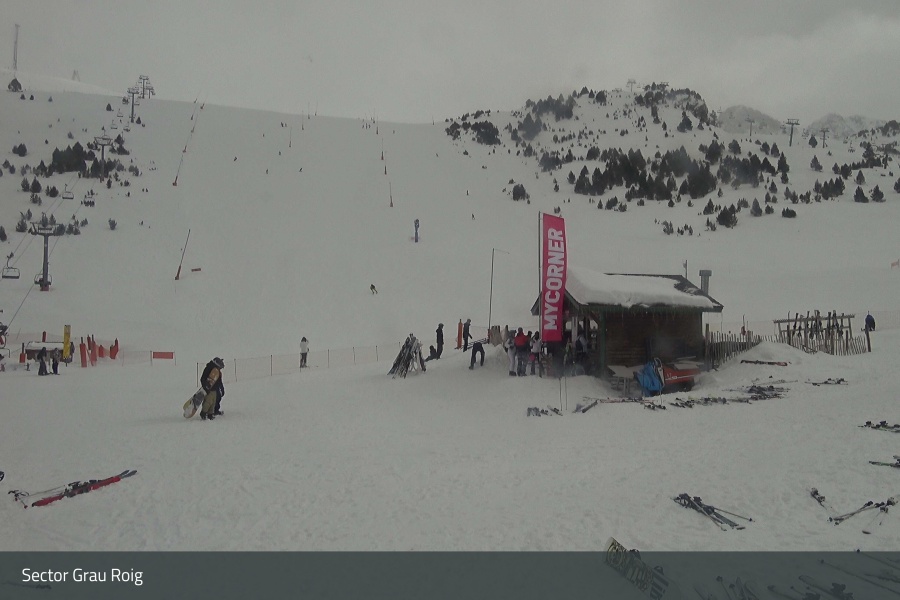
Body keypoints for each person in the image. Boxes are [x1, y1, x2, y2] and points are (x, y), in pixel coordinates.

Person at [199, 357, 225, 421]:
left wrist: (222, 388)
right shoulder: (209, 368)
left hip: (215, 388)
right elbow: (203, 378)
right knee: (208, 401)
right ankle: (204, 413)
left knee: (215, 400)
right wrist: (205, 386)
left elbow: (219, 381)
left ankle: (212, 412)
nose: (220, 369)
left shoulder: (217, 371)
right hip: (209, 388)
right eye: (220, 367)